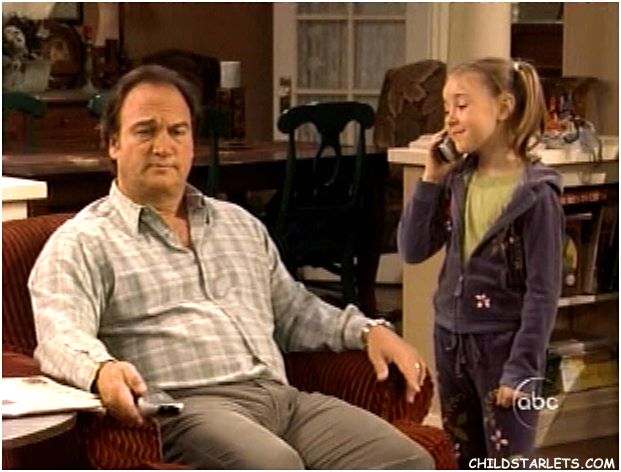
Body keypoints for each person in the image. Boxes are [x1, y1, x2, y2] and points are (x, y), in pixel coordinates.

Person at [29, 64, 434, 470]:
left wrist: (368, 330)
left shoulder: (239, 224)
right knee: (275, 466)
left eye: (177, 131)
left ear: (192, 144)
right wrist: (101, 371)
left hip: (283, 401)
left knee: (408, 460)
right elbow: (59, 335)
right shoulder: (84, 240)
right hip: (191, 409)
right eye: (145, 131)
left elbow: (294, 312)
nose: (163, 146)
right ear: (113, 143)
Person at [397, 57, 564, 466]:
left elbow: (543, 292)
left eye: (462, 105)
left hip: (504, 349)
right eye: (446, 108)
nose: (450, 118)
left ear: (503, 107)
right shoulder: (456, 179)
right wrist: (430, 179)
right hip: (450, 341)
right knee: (463, 458)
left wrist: (522, 367)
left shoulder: (537, 195)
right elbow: (412, 249)